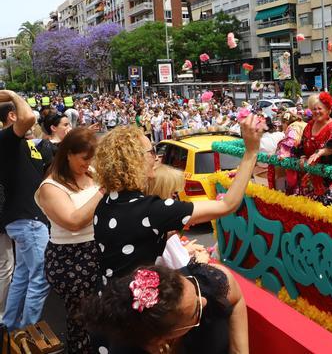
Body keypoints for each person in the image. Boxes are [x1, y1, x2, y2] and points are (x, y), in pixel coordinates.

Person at [92, 115, 263, 282]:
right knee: (228, 284)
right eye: (151, 151)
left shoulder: (105, 203)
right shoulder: (152, 209)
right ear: (134, 160)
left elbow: (133, 241)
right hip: (141, 303)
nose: (156, 157)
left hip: (112, 298)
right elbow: (227, 205)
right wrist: (251, 152)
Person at [35, 127, 104, 353]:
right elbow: (73, 221)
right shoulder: (50, 186)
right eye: (84, 159)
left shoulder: (90, 173)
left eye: (91, 159)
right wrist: (103, 191)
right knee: (82, 318)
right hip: (70, 257)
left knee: (101, 313)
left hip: (97, 250)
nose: (88, 164)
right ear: (68, 154)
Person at [84, 264, 248, 353]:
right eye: (195, 313)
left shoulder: (209, 283)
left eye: (194, 287)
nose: (204, 301)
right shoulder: (126, 346)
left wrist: (239, 349)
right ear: (160, 339)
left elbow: (236, 297)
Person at [0, 91, 49, 331]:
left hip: (27, 219)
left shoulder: (24, 145)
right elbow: (29, 117)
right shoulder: (5, 139)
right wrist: (9, 93)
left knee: (22, 276)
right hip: (26, 220)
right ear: (12, 116)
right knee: (40, 278)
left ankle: (10, 328)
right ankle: (28, 333)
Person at [295, 93, 332, 205]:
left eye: (320, 108)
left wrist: (320, 152)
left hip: (331, 177)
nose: (316, 112)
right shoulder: (309, 125)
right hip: (312, 174)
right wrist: (303, 156)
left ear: (329, 110)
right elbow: (302, 144)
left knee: (327, 212)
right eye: (314, 109)